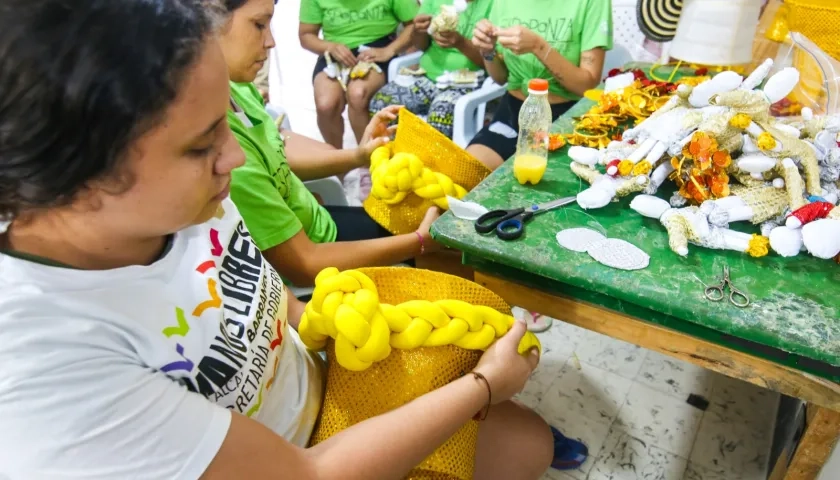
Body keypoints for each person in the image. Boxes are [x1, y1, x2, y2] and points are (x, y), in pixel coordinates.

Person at [0, 0, 590, 478]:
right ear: (75, 174)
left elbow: (260, 292)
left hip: (321, 383)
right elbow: (309, 474)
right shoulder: (51, 370)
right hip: (304, 458)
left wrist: (324, 318)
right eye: (202, 144)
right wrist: (484, 386)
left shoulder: (182, 203)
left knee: (528, 442)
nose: (232, 156)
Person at [219, 0, 444, 288]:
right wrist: (418, 243)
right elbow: (305, 263)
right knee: (444, 255)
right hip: (320, 259)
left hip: (320, 224)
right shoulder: (228, 153)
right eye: (259, 24)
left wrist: (357, 156)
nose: (271, 42)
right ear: (207, 25)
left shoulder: (238, 89)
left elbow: (277, 148)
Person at [466, 0, 614, 169]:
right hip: (511, 114)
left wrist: (538, 46)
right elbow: (501, 78)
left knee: (536, 187)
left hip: (565, 118)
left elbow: (585, 87)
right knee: (465, 173)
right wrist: (488, 51)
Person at [299, 0, 419, 149]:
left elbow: (415, 23)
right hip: (334, 51)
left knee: (358, 93)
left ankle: (368, 159)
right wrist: (330, 47)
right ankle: (336, 161)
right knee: (326, 104)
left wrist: (390, 50)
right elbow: (306, 35)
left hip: (378, 46)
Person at [369, 0, 492, 139]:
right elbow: (422, 45)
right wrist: (418, 30)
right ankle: (393, 156)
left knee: (441, 115)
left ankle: (427, 160)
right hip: (427, 76)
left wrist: (460, 43)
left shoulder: (494, 5)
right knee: (382, 104)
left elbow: (492, 62)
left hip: (469, 82)